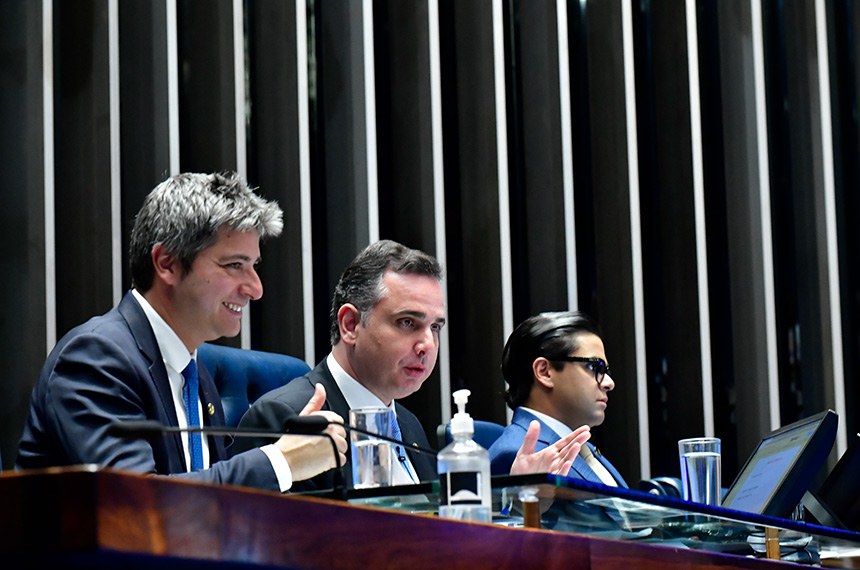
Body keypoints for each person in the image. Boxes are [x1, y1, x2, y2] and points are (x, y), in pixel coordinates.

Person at [16, 171, 346, 492]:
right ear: (167, 264)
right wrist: (280, 462)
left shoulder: (193, 372)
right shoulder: (95, 357)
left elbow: (209, 503)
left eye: (254, 266)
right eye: (234, 265)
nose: (255, 288)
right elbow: (136, 505)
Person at [236, 240, 590, 491]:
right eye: (408, 323)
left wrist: (513, 494)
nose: (427, 345)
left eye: (435, 327)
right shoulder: (284, 417)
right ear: (349, 325)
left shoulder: (408, 424)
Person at [488, 311, 627, 488]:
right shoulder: (515, 454)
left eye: (606, 371)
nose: (609, 383)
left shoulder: (585, 449)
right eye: (594, 366)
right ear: (544, 372)